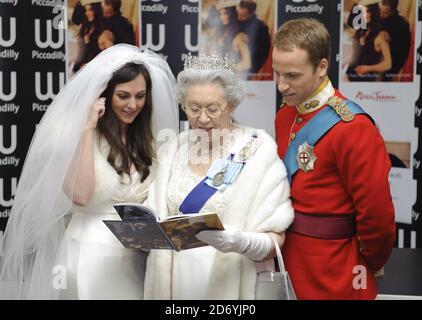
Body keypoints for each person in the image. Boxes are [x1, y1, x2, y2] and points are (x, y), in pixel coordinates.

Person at [0, 44, 179, 299]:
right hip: (87, 254)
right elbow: (80, 195)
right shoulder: (68, 133)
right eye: (123, 95)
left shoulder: (147, 141)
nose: (133, 104)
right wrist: (86, 128)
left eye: (140, 96)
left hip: (135, 258)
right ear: (104, 94)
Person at [143, 52, 294, 299]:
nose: (202, 118)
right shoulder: (174, 150)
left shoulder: (257, 151)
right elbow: (156, 217)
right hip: (176, 284)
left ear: (231, 105)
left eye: (213, 108)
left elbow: (276, 240)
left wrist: (240, 242)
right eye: (193, 109)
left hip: (232, 283)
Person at [273, 18, 395, 299]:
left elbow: (377, 216)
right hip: (286, 263)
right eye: (277, 73)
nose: (281, 85)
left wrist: (369, 262)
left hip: (335, 270)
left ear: (322, 68)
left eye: (292, 75)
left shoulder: (353, 128)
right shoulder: (286, 115)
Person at [346, 3, 392, 81]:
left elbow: (388, 64)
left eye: (367, 11)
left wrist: (367, 69)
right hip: (350, 74)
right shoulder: (360, 31)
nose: (366, 14)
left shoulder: (381, 36)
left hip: (366, 79)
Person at [214, 1, 251, 78]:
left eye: (225, 13)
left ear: (231, 14)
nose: (222, 17)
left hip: (234, 80)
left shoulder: (239, 37)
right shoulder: (222, 32)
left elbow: (247, 64)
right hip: (220, 79)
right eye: (220, 14)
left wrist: (226, 67)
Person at [236, 0, 271, 77]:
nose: (239, 18)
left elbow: (262, 54)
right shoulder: (239, 21)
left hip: (249, 68)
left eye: (243, 16)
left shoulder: (260, 28)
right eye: (238, 15)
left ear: (252, 13)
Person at [378, 0, 411, 81]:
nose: (381, 15)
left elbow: (402, 52)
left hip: (392, 63)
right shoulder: (383, 16)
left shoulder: (401, 24)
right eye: (380, 11)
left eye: (385, 13)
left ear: (393, 10)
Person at [73, 0, 105, 73]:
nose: (87, 13)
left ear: (96, 10)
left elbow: (101, 54)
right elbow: (81, 51)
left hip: (92, 70)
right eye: (86, 10)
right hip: (79, 68)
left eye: (90, 10)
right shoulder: (85, 26)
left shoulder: (103, 29)